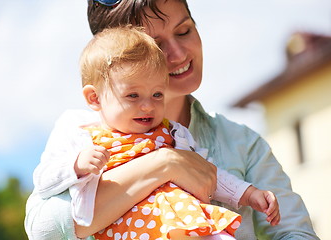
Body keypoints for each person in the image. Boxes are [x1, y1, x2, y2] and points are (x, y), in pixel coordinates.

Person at [24, 0, 319, 239]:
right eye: (155, 45)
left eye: (184, 31)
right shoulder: (78, 131)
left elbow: (296, 233)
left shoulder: (242, 142)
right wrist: (165, 163)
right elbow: (44, 230)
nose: (177, 54)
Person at [74, 26, 279, 240]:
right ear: (94, 98)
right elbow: (52, 185)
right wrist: (76, 167)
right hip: (136, 232)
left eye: (157, 94)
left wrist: (248, 193)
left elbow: (206, 172)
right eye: (133, 95)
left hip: (188, 224)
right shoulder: (85, 140)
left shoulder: (172, 133)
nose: (148, 106)